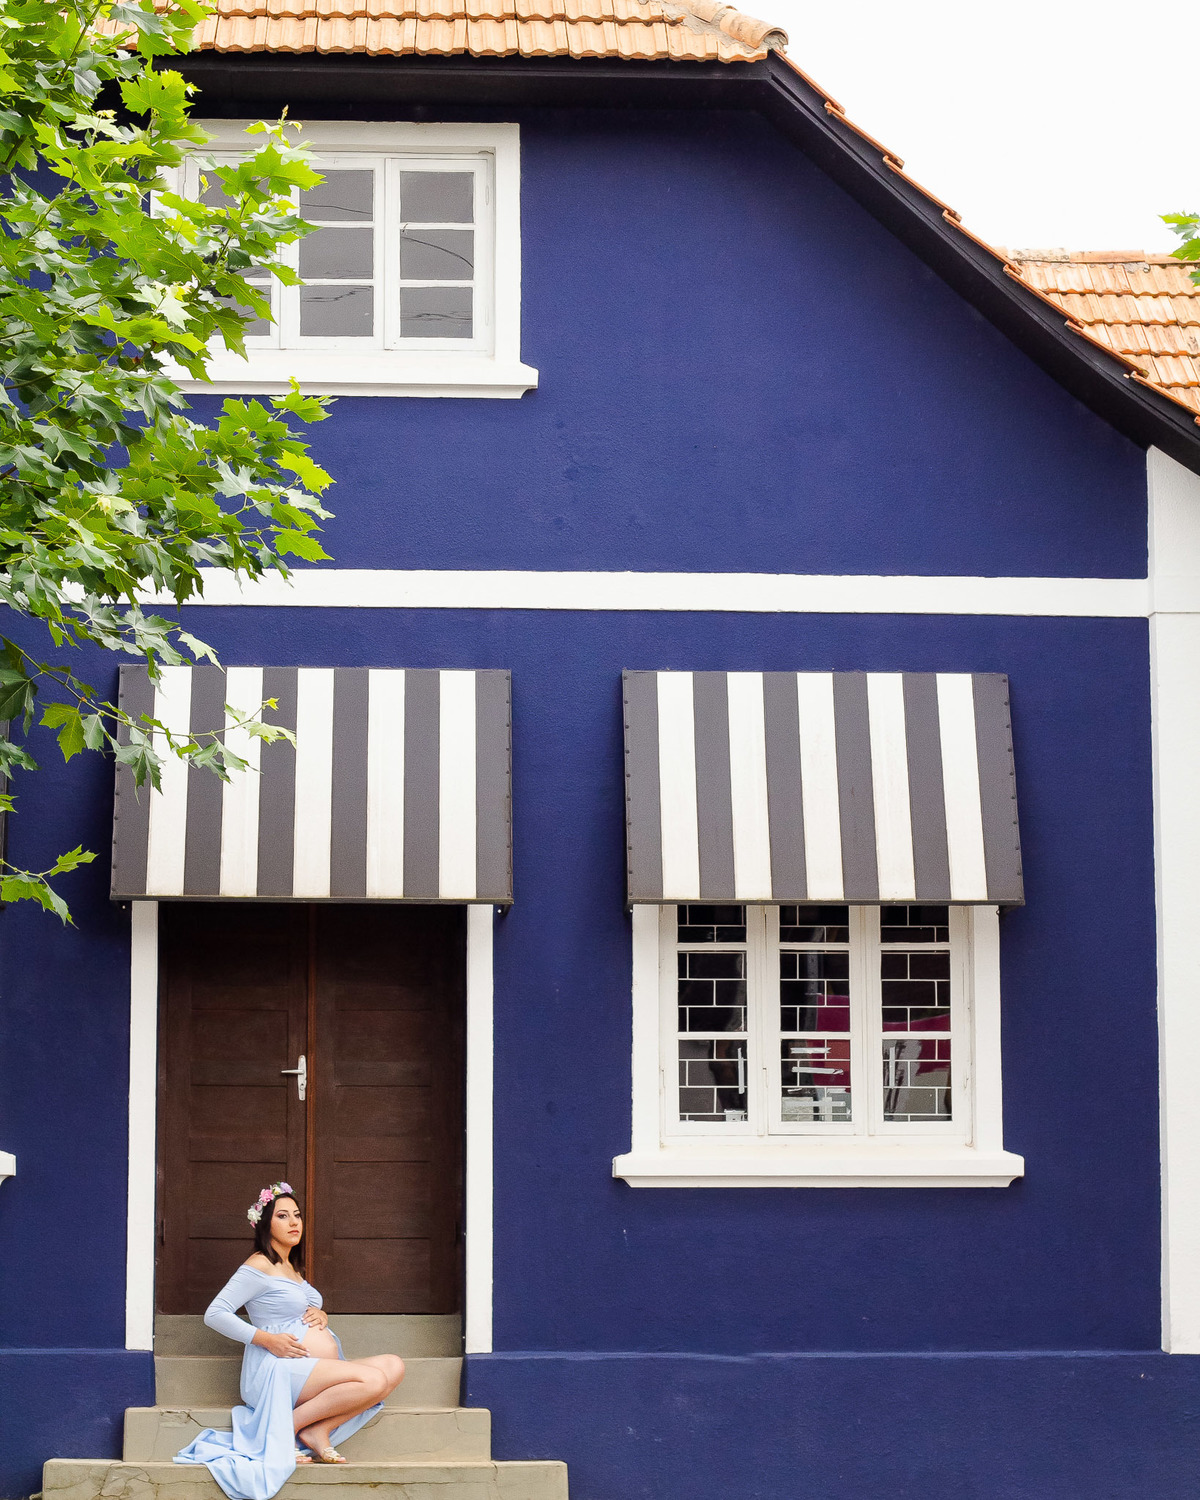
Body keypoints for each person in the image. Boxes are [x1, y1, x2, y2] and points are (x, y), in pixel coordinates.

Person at [174, 1182, 405, 1500]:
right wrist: (267, 1340)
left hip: (307, 1368)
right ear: (265, 1223)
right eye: (283, 1216)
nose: (294, 1222)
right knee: (373, 1379)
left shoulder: (290, 1267)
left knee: (394, 1366)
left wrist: (319, 1312)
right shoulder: (258, 1265)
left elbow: (304, 1301)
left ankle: (315, 1429)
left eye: (297, 1215)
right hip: (277, 1369)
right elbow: (215, 1314)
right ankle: (285, 1429)